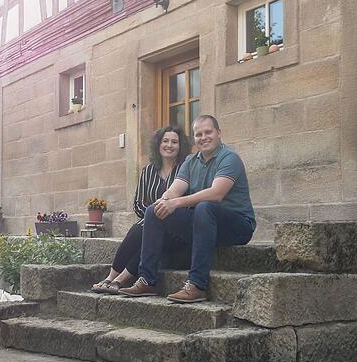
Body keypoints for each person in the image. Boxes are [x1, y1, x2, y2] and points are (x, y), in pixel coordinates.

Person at [119, 115, 255, 303]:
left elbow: (216, 194)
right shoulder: (190, 161)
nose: (204, 137)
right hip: (204, 224)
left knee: (205, 207)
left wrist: (176, 203)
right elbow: (175, 190)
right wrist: (164, 202)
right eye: (198, 134)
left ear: (218, 134)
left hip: (237, 226)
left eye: (208, 132)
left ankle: (197, 285)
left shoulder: (229, 158)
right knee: (154, 210)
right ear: (194, 138)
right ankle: (147, 280)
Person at [90, 126, 190, 294]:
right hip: (148, 225)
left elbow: (187, 204)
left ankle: (119, 279)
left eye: (174, 142)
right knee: (141, 230)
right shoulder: (148, 170)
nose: (169, 145)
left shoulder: (185, 169)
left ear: (180, 146)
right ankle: (111, 277)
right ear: (158, 144)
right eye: (165, 141)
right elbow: (138, 203)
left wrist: (157, 218)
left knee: (145, 230)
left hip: (175, 231)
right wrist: (153, 218)